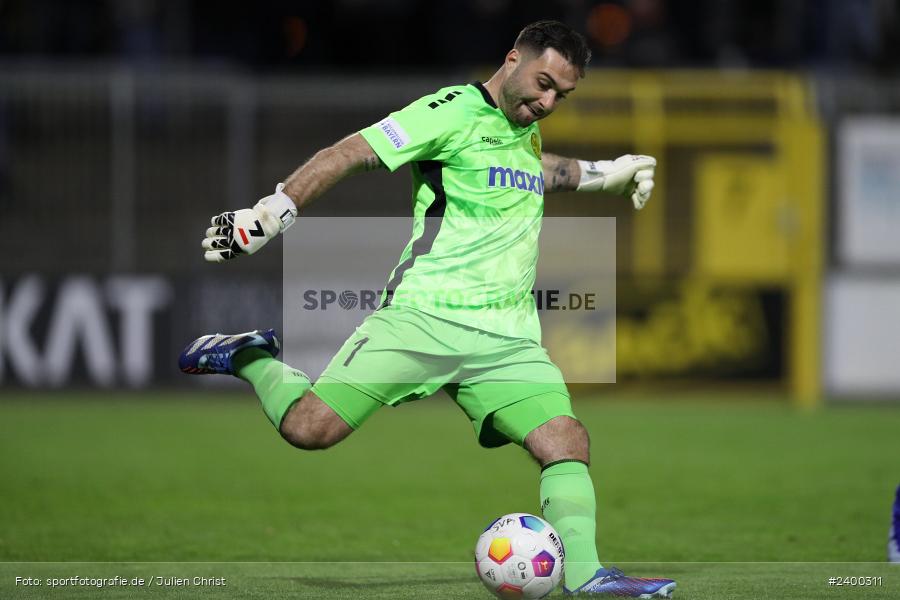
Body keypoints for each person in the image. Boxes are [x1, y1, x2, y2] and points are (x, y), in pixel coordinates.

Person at [179, 20, 674, 597]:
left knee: (565, 440)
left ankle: (589, 577)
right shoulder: (449, 111)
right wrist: (267, 216)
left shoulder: (523, 129)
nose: (546, 103)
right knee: (308, 429)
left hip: (506, 337)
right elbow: (347, 153)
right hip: (421, 318)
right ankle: (252, 357)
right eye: (542, 84)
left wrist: (603, 174)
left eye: (560, 96)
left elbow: (531, 173)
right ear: (513, 59)